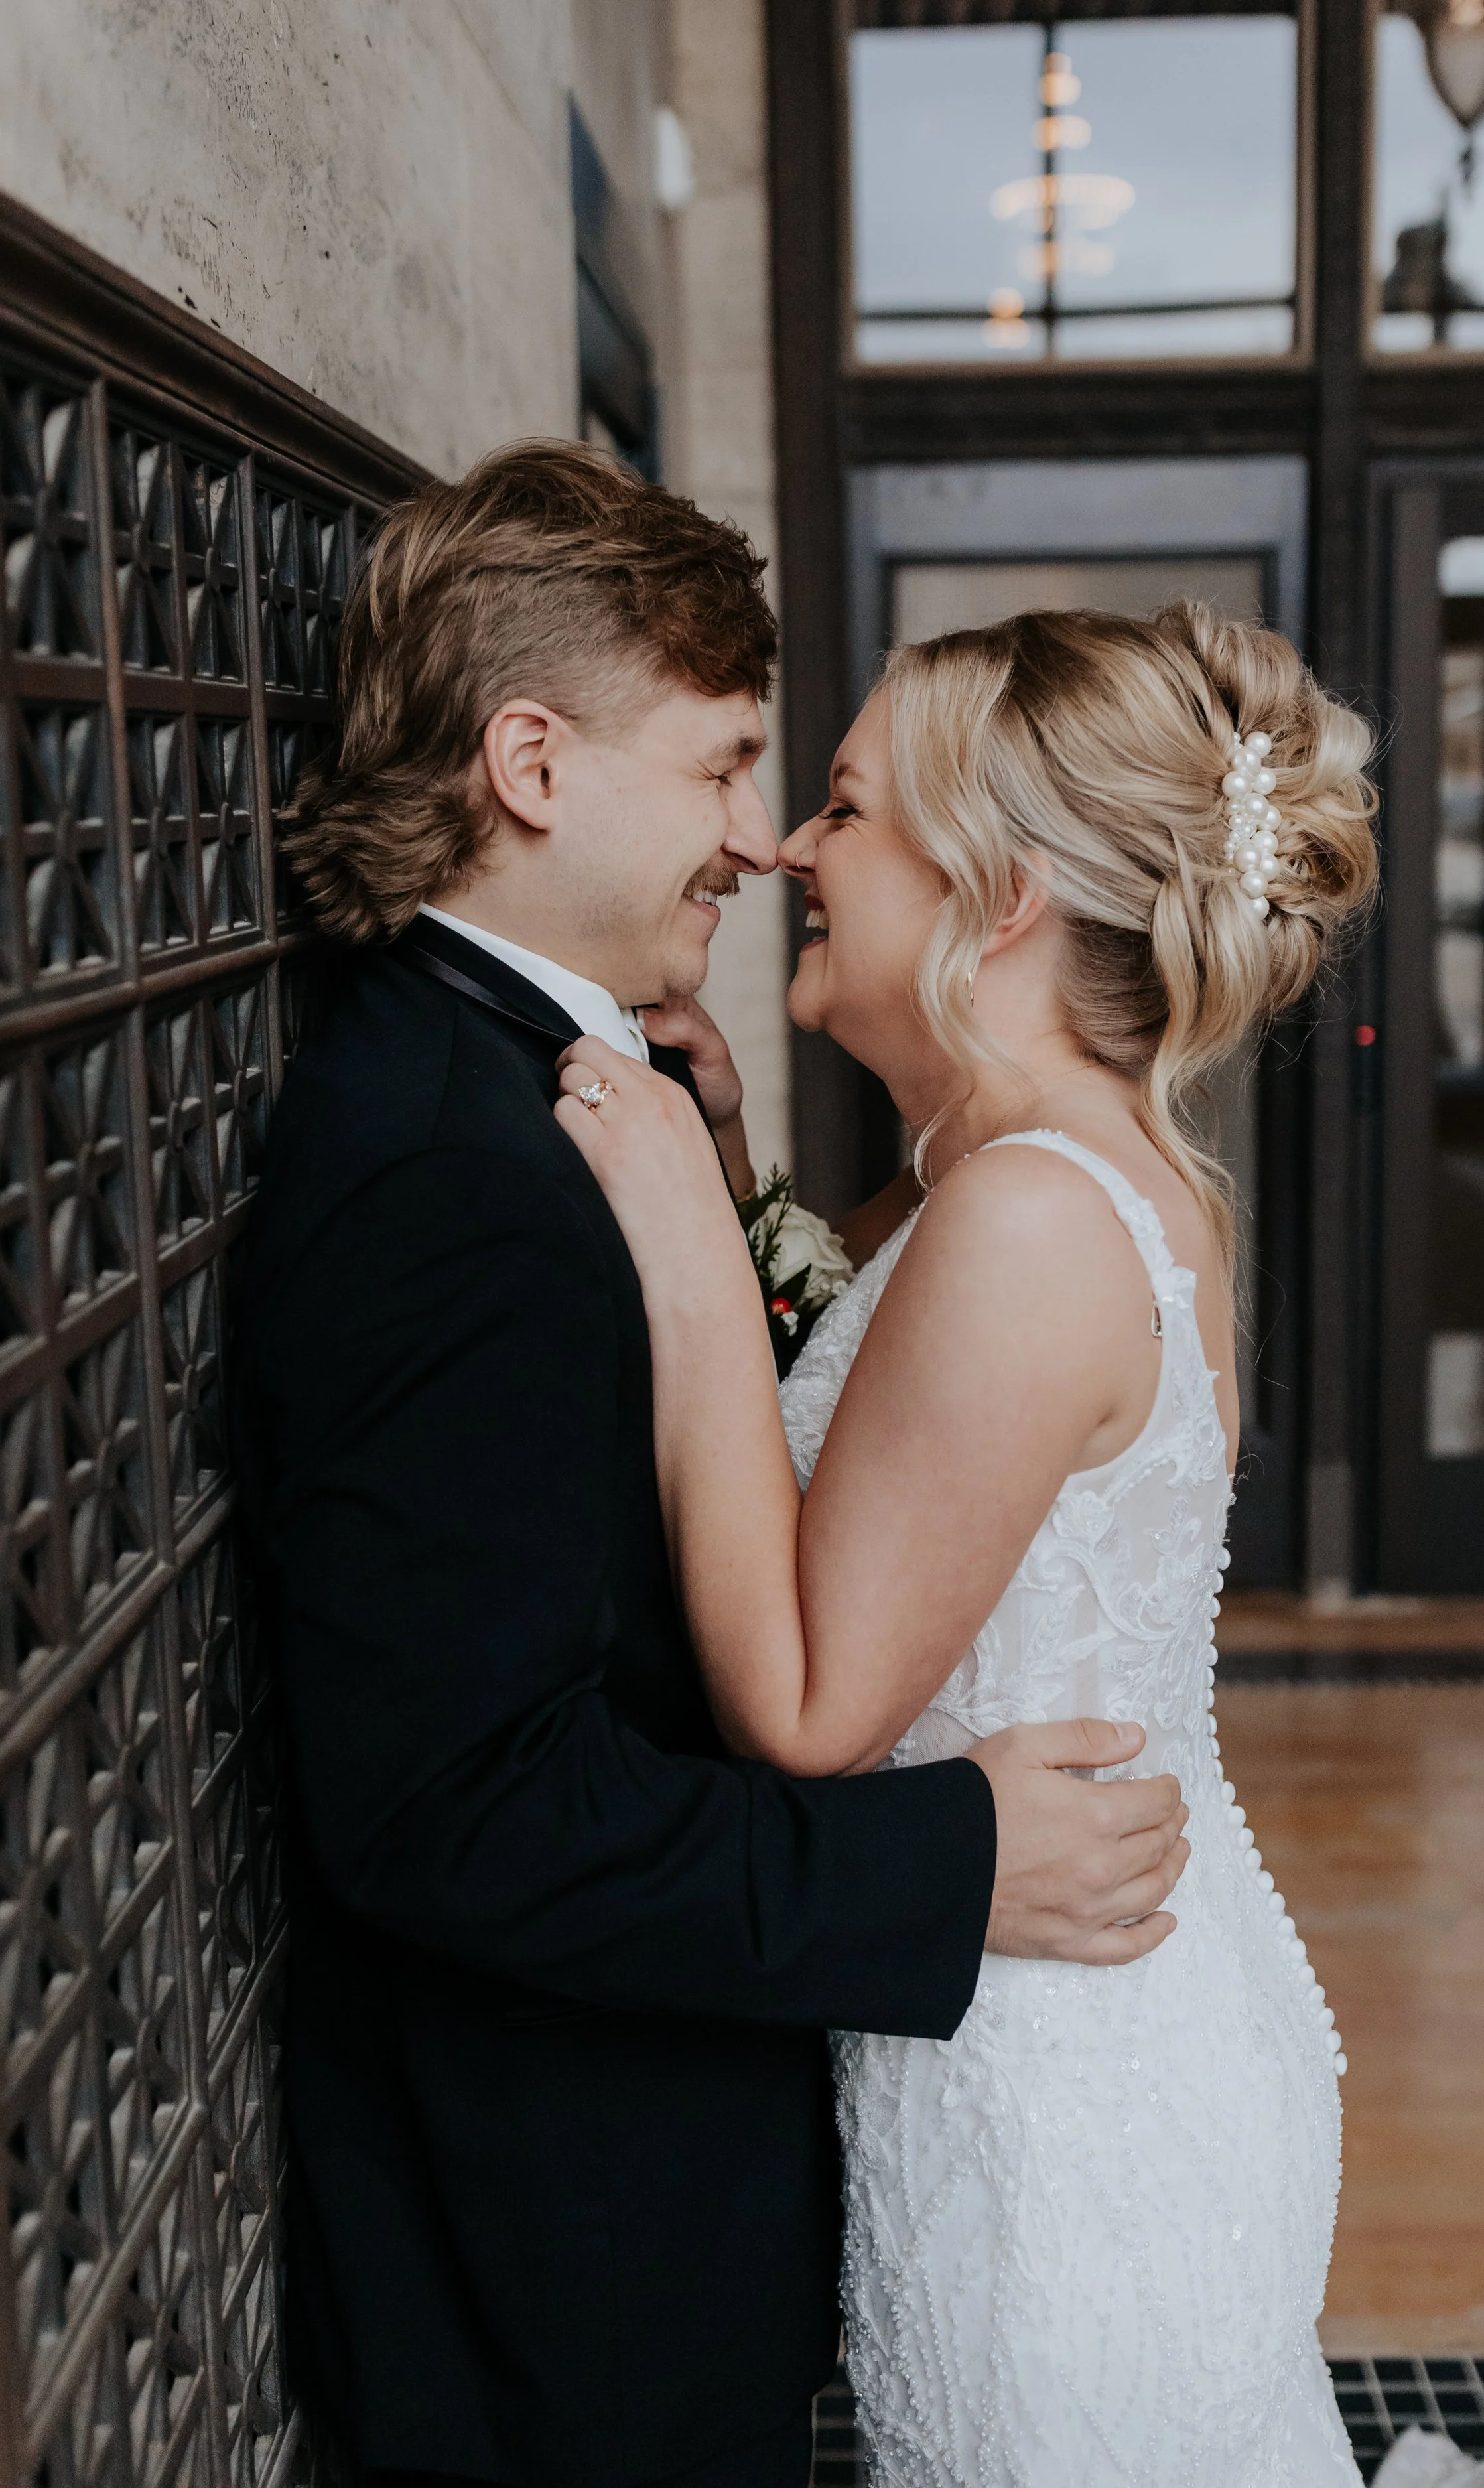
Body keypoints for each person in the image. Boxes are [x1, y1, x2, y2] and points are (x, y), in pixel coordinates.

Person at [230, 442, 1189, 2488]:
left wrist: (729, 1209)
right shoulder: (445, 1167)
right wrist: (937, 1864)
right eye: (725, 764)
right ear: (533, 763)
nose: (754, 843)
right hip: (549, 2267)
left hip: (641, 2193)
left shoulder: (562, 1092)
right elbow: (455, 1812)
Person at [553, 602, 1379, 2487]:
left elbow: (811, 1705)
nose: (783, 849)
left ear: (996, 895)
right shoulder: (1069, 1171)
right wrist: (746, 1183)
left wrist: (686, 1247)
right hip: (1101, 2006)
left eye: (842, 806)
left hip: (1060, 2108)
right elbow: (883, 1432)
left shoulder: (1024, 1217)